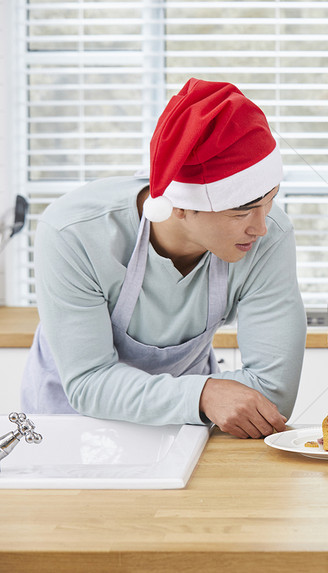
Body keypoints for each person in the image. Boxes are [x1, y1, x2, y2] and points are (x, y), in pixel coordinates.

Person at [20, 78, 306, 439]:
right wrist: (202, 393)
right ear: (182, 206)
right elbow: (89, 382)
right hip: (67, 427)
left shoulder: (270, 234)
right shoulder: (73, 232)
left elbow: (274, 391)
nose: (262, 228)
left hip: (184, 429)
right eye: (242, 212)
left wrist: (200, 399)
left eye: (271, 200)